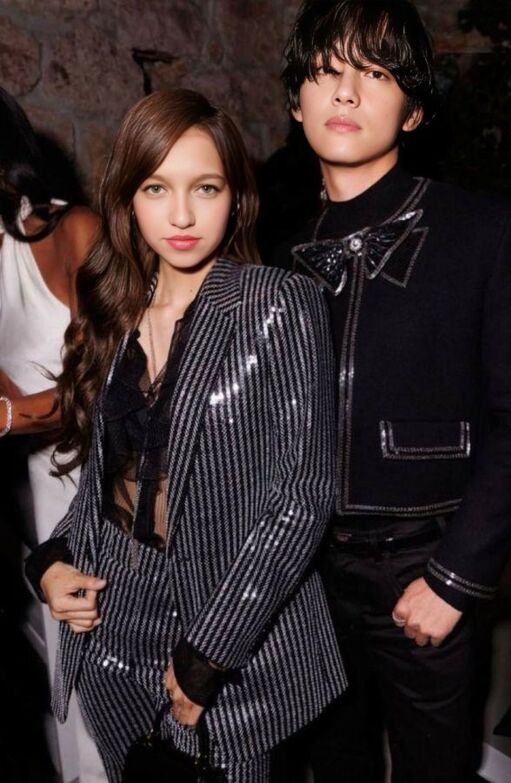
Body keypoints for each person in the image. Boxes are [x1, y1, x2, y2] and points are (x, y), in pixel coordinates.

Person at [275, 2, 511, 780]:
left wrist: (453, 577)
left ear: (414, 110)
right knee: (334, 766)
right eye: (326, 70)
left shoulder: (483, 231)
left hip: (422, 567)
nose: (345, 91)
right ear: (296, 99)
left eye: (374, 72)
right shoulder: (276, 256)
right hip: (302, 579)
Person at [25, 88, 346, 783]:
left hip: (227, 635)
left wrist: (209, 654)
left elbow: (303, 496)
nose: (180, 215)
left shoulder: (277, 302)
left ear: (236, 197)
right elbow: (112, 478)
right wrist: (50, 560)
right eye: (155, 187)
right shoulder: (116, 309)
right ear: (127, 200)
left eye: (205, 187)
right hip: (112, 626)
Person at [0, 86, 106, 781]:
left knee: (109, 709)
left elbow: (115, 382)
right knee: (54, 717)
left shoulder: (74, 231)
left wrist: (11, 415)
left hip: (100, 492)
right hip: (23, 514)